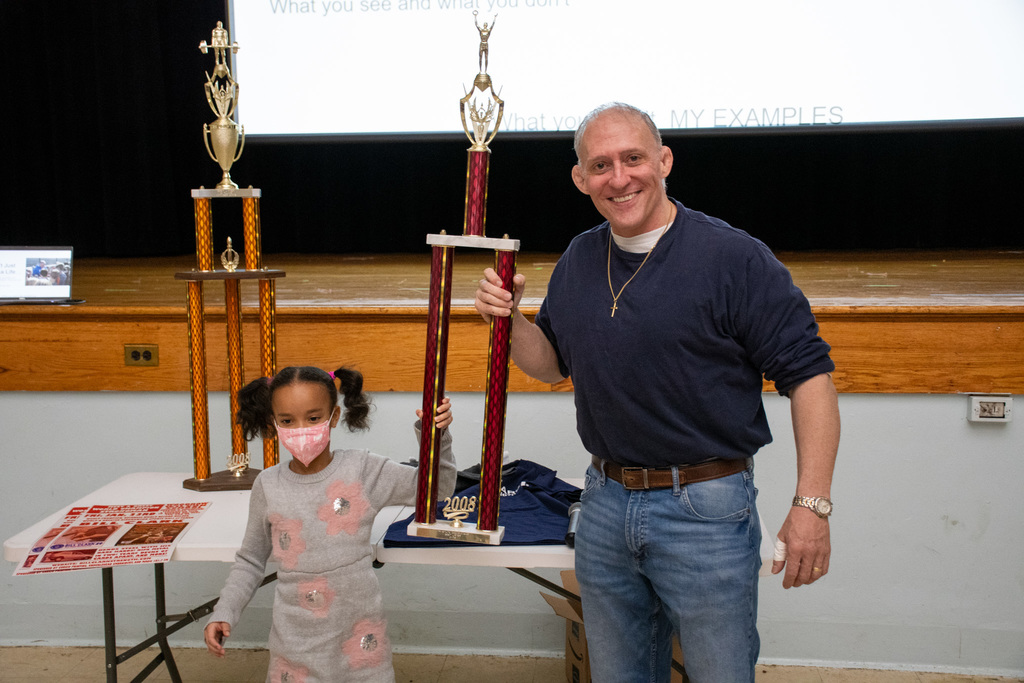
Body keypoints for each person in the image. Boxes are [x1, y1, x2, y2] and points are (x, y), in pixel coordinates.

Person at [474, 102, 840, 682]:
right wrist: (509, 319)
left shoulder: (733, 258)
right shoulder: (579, 258)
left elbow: (810, 379)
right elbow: (549, 365)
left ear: (664, 160)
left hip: (708, 510)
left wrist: (811, 504)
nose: (619, 178)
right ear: (580, 179)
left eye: (633, 158)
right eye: (600, 165)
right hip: (604, 505)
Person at [204, 366, 457, 682]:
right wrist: (224, 611)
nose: (301, 429)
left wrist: (437, 436)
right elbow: (251, 560)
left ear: (334, 416)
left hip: (360, 645)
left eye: (313, 418)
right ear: (274, 421)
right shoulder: (268, 484)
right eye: (287, 420)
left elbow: (438, 488)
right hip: (295, 645)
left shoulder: (362, 469)